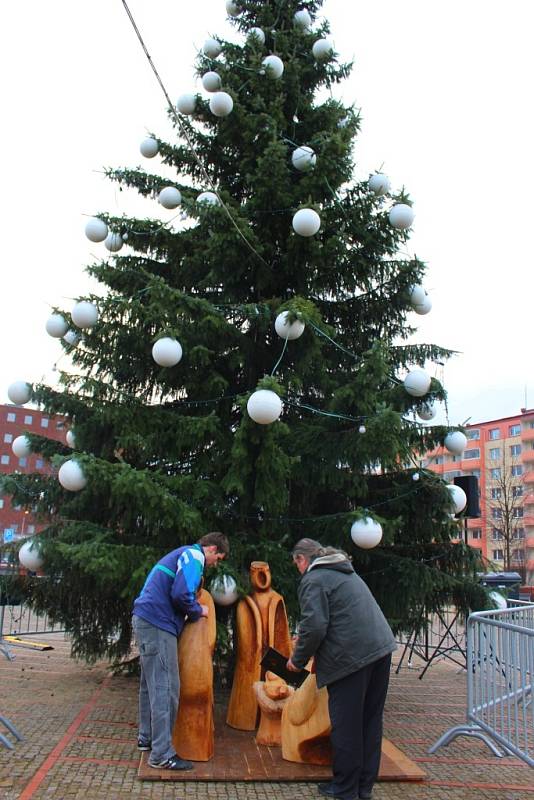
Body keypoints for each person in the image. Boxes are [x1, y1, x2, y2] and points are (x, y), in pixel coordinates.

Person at [287, 538, 396, 800]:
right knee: (369, 721)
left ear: (302, 559)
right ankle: (363, 787)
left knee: (346, 725)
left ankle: (345, 789)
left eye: (296, 564)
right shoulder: (345, 572)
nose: (298, 570)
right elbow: (337, 618)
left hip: (351, 658)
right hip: (380, 649)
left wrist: (297, 660)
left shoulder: (314, 579)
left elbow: (315, 626)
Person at [132, 531, 229, 770]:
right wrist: (198, 610)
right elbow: (181, 594)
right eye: (219, 559)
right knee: (166, 686)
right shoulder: (194, 556)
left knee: (150, 684)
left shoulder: (181, 554)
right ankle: (162, 754)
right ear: (212, 550)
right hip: (158, 623)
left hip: (146, 619)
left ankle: (147, 738)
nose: (215, 564)